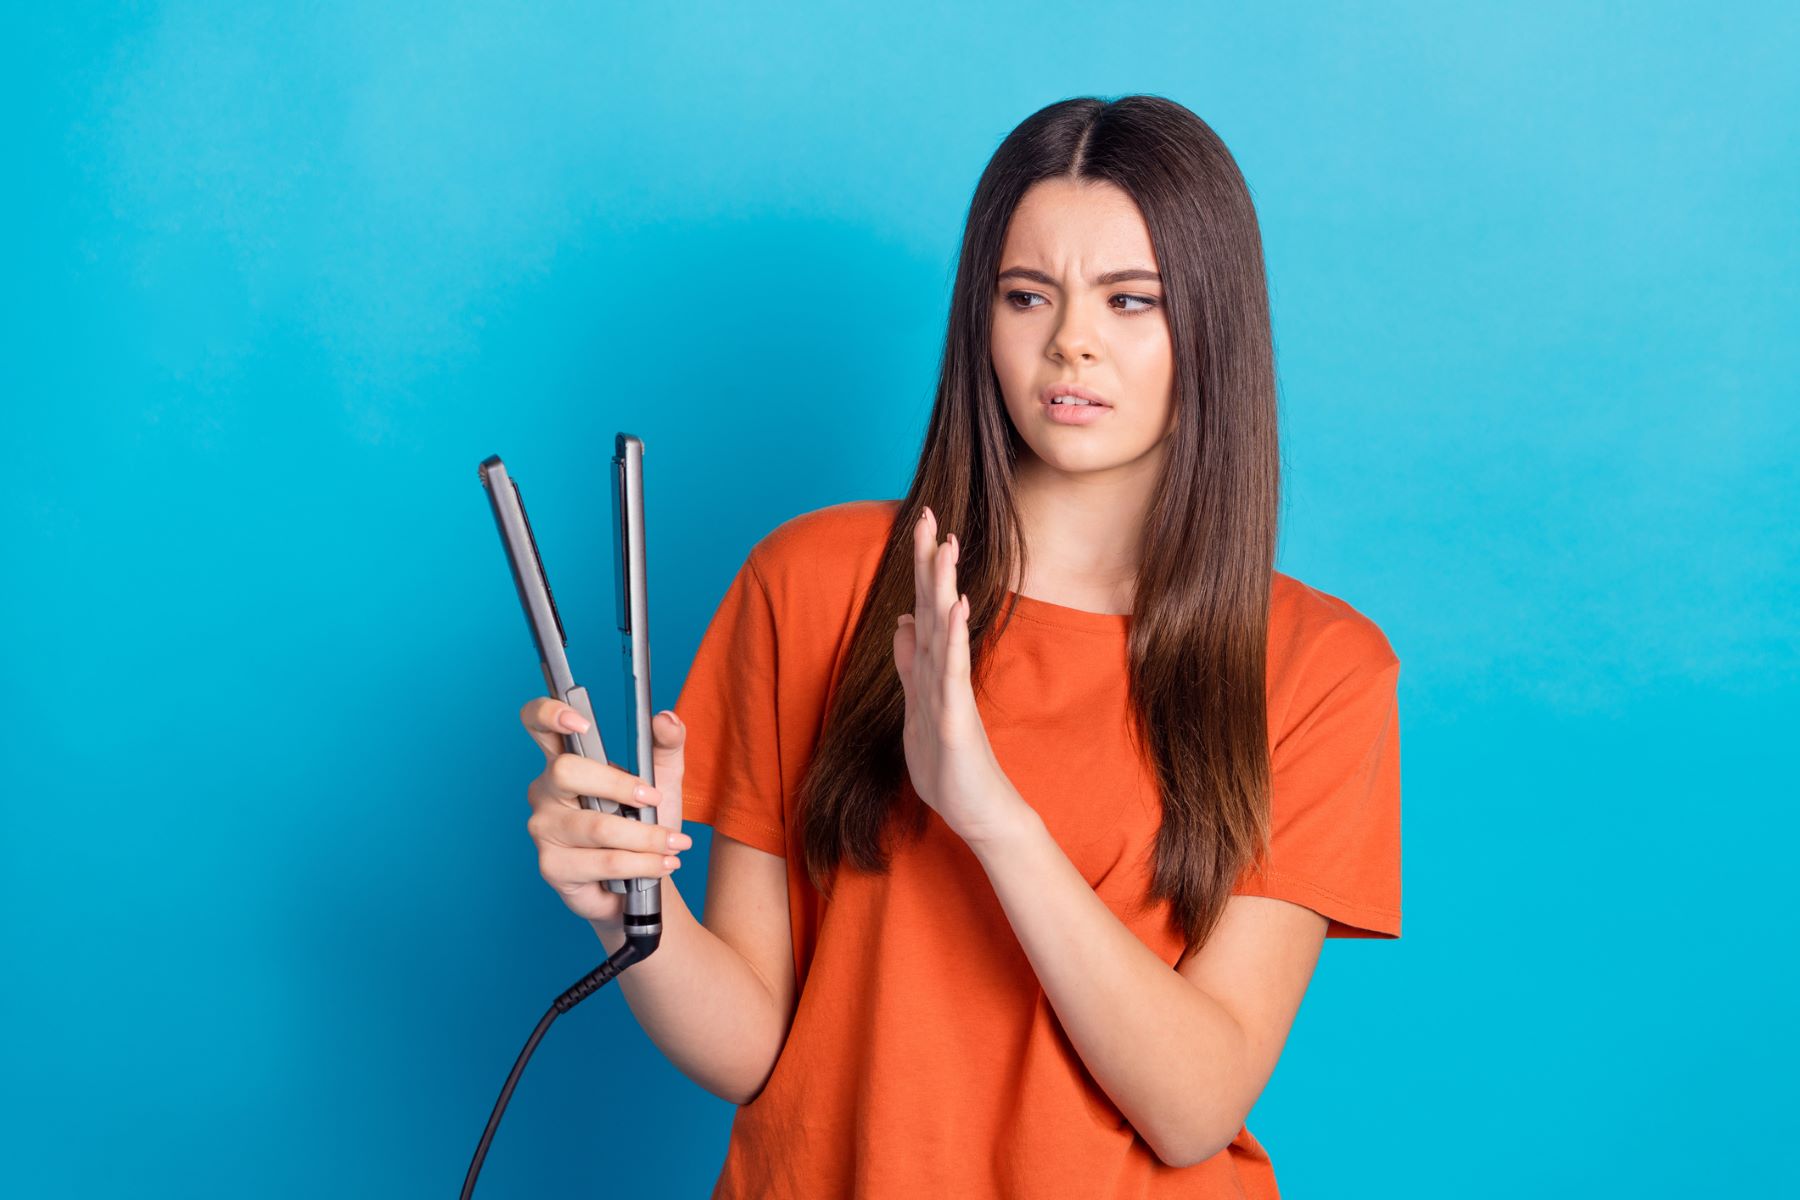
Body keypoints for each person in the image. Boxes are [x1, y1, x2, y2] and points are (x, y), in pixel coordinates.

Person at [517, 93, 1402, 1198]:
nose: (1071, 340)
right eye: (1028, 295)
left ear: (1213, 325)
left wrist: (988, 813)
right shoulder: (815, 581)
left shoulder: (1320, 666)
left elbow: (1193, 1107)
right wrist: (626, 911)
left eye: (1132, 301)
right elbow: (755, 1048)